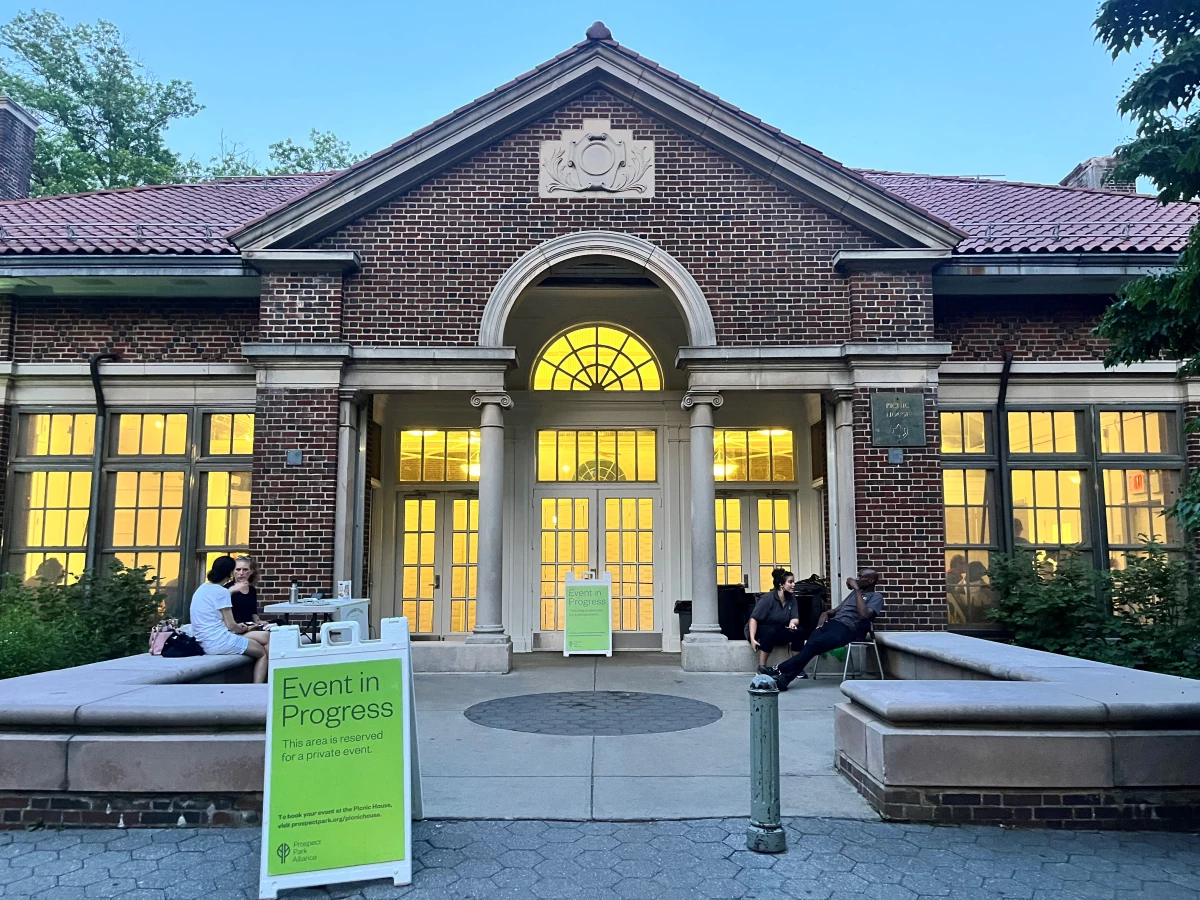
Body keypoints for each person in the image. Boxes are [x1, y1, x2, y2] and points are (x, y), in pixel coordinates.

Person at [764, 568, 883, 690]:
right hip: (833, 624)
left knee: (814, 645)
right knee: (810, 646)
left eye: (860, 577)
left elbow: (864, 614)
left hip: (848, 630)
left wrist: (857, 589)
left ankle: (779, 668)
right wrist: (826, 613)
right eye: (857, 576)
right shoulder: (854, 594)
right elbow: (837, 610)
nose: (857, 579)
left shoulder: (876, 597)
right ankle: (784, 679)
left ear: (870, 581)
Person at [190, 555, 270, 684]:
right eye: (236, 569)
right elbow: (231, 626)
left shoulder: (202, 588)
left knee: (265, 637)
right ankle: (258, 686)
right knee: (261, 653)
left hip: (203, 639)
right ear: (230, 573)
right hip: (219, 641)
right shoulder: (222, 592)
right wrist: (246, 627)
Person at [747, 568, 803, 669]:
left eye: (793, 582)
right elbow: (753, 619)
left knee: (799, 632)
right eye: (790, 582)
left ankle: (796, 666)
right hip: (762, 628)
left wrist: (792, 624)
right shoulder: (767, 599)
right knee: (770, 632)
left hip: (779, 628)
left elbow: (795, 617)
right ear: (781, 585)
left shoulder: (792, 599)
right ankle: (761, 667)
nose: (794, 584)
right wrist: (752, 638)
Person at [227, 555, 261, 626]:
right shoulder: (227, 589)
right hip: (236, 627)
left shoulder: (252, 589)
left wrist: (258, 621)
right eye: (238, 569)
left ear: (251, 571)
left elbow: (253, 612)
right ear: (233, 572)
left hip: (251, 625)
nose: (241, 573)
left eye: (245, 569)